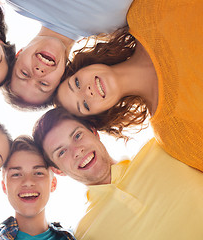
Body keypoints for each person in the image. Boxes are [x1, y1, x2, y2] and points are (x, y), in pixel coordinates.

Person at [55, 0, 203, 171]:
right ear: (101, 114)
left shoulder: (145, 14)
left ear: (83, 67)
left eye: (77, 83)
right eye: (85, 105)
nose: (87, 92)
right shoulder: (176, 135)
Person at [32, 108, 203, 239]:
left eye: (77, 136)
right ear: (58, 170)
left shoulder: (162, 146)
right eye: (61, 152)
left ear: (94, 132)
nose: (77, 151)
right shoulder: (86, 233)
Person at [2, 0, 133, 110]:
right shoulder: (117, 30)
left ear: (19, 53)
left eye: (24, 74)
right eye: (43, 84)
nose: (38, 72)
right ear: (62, 78)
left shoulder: (19, 3)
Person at [0, 135, 75, 240]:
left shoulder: (73, 236)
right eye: (16, 174)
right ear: (4, 187)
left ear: (53, 183)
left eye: (38, 173)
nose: (28, 181)